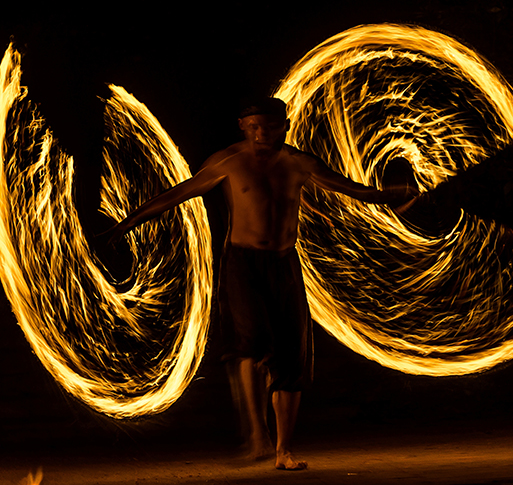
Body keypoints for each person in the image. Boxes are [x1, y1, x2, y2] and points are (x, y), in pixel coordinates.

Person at [105, 97, 418, 470]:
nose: (261, 133)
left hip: (285, 263)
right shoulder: (229, 162)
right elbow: (179, 193)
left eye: (269, 127)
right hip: (243, 263)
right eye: (253, 126)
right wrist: (129, 222)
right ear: (242, 126)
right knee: (250, 345)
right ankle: (258, 435)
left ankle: (284, 450)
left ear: (284, 127)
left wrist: (392, 196)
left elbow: (351, 190)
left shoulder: (299, 163)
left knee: (291, 358)